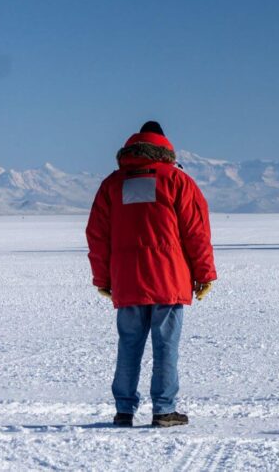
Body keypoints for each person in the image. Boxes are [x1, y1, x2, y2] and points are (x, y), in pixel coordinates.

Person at [86, 121, 217, 428]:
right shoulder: (177, 181)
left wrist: (103, 279)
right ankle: (164, 410)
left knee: (129, 344)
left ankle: (124, 410)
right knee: (165, 345)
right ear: (165, 147)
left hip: (127, 280)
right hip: (168, 279)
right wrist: (205, 274)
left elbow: (97, 235)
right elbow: (196, 232)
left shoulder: (112, 184)